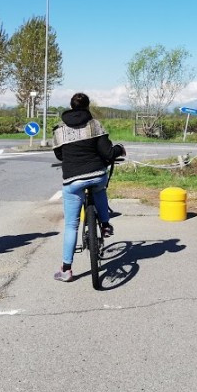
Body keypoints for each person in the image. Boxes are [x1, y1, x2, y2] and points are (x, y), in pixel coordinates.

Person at [52, 92, 124, 282]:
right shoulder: (95, 125)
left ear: (71, 106)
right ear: (87, 106)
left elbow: (60, 156)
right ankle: (106, 225)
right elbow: (107, 153)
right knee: (99, 189)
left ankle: (66, 270)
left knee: (71, 225)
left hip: (73, 180)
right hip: (96, 174)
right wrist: (120, 149)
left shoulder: (59, 129)